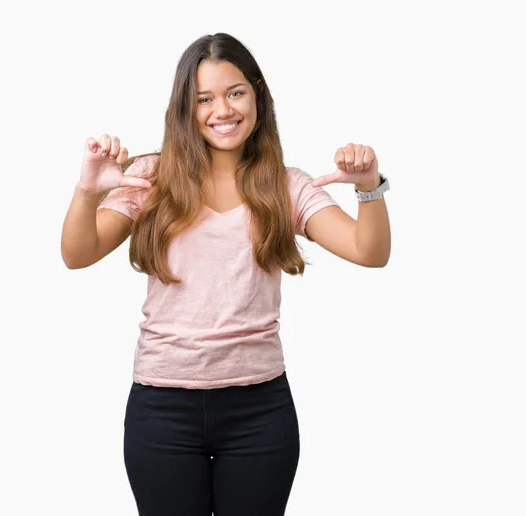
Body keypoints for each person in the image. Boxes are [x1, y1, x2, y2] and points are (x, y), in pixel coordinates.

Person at [61, 32, 390, 516]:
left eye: (235, 92)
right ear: (184, 108)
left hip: (260, 411)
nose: (222, 110)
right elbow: (78, 253)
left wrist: (368, 187)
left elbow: (370, 252)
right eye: (204, 99)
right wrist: (88, 191)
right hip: (162, 407)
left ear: (257, 93)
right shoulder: (152, 176)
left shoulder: (285, 185)